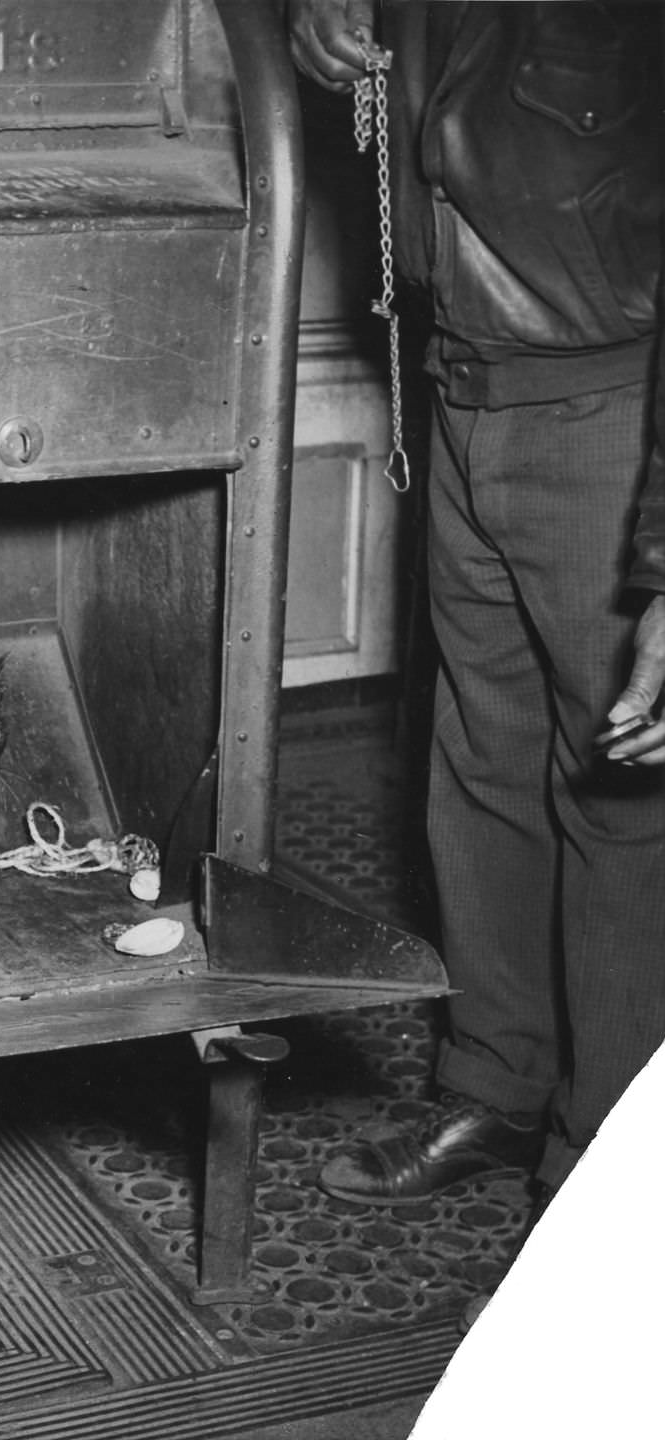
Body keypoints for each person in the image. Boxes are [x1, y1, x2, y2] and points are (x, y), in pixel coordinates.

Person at [285, 0, 665, 1217]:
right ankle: (500, 1092)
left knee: (626, 799)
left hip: (618, 418)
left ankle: (604, 1178)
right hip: (461, 394)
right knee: (483, 766)